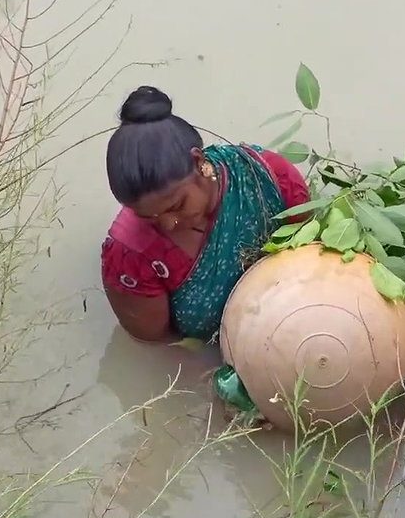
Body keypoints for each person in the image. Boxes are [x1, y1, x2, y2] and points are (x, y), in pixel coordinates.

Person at [100, 86, 311, 344]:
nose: (167, 223)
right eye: (149, 218)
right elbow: (159, 347)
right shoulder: (129, 254)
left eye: (176, 206)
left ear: (199, 161)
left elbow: (310, 263)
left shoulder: (267, 180)